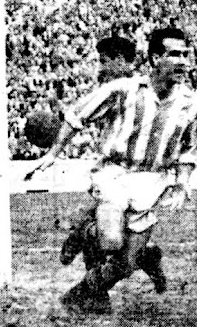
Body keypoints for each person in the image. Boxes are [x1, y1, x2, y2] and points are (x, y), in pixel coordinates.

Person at [26, 27, 197, 314]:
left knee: (126, 263)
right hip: (115, 173)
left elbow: (189, 151)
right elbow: (77, 116)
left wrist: (181, 184)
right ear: (156, 57)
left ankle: (86, 291)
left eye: (186, 55)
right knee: (110, 240)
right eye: (175, 54)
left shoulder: (193, 105)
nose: (183, 61)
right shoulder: (125, 90)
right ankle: (83, 230)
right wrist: (52, 153)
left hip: (153, 181)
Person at [58, 34, 167, 294]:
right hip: (125, 178)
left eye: (104, 61)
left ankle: (85, 234)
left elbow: (78, 115)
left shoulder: (130, 89)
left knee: (112, 241)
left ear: (121, 60)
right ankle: (102, 282)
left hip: (134, 179)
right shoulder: (134, 90)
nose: (101, 68)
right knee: (115, 243)